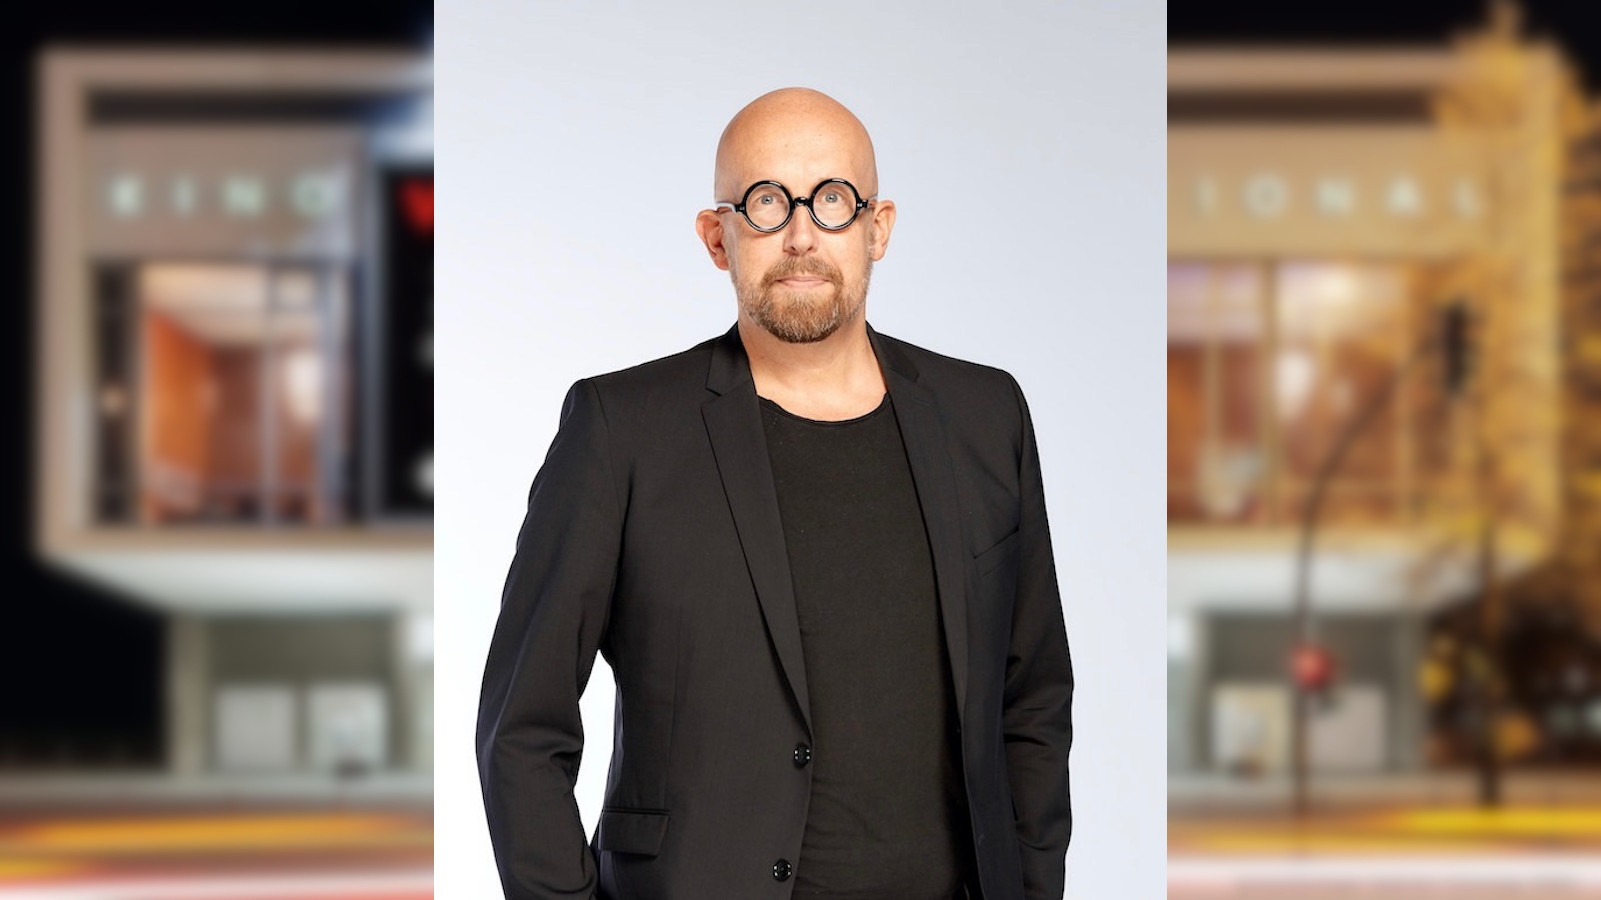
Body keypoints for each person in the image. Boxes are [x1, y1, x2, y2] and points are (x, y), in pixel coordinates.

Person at [477, 87, 1072, 900]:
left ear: (877, 227)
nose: (800, 235)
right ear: (716, 237)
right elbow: (520, 731)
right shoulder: (621, 430)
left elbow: (1031, 697)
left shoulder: (984, 415)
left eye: (832, 200)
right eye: (765, 203)